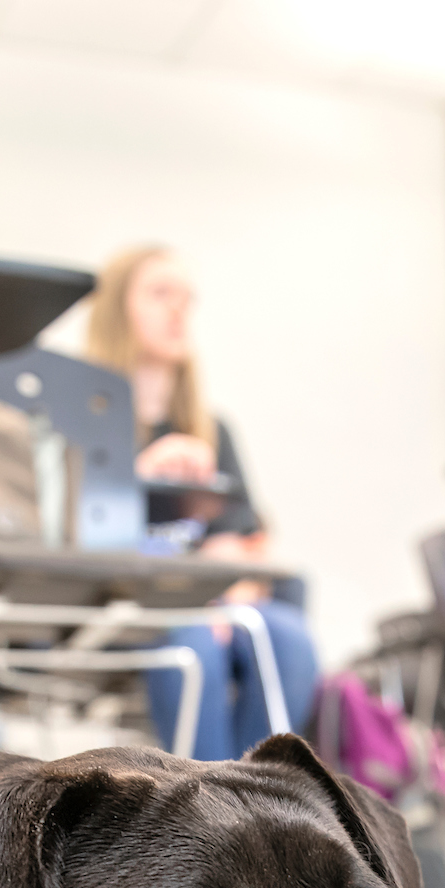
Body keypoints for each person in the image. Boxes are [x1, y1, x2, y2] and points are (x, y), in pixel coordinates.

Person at [84, 245, 318, 761]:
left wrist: (220, 593)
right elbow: (76, 541)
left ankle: (258, 802)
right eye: (160, 294)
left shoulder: (213, 433)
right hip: (125, 608)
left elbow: (234, 542)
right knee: (194, 641)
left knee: (288, 639)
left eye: (187, 299)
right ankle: (210, 816)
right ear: (118, 309)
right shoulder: (84, 428)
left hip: (208, 603)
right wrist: (140, 476)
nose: (179, 311)